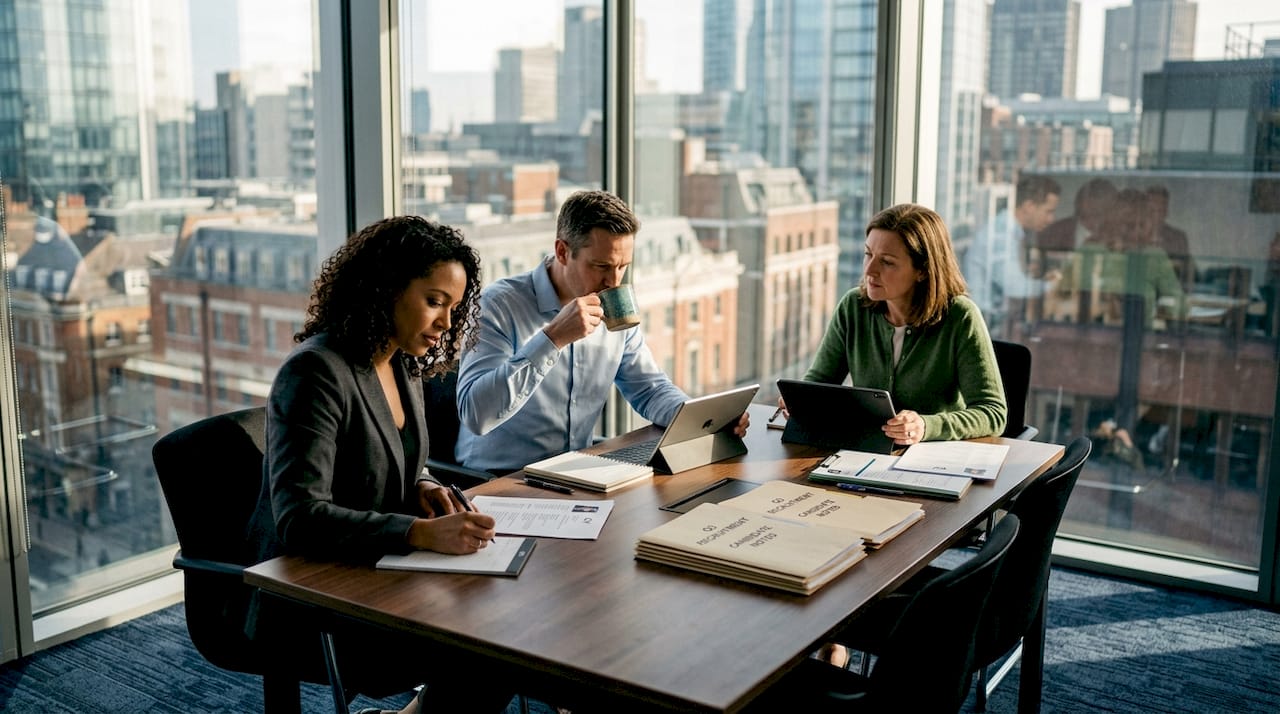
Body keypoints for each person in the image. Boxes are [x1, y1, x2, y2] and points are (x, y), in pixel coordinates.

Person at [246, 215, 513, 714]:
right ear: (385, 288)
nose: (446, 324)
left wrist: (424, 484)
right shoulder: (315, 372)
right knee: (492, 646)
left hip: (382, 571)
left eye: (454, 308)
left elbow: (397, 460)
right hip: (315, 593)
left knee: (506, 626)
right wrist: (418, 533)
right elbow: (299, 518)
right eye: (434, 302)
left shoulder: (400, 363)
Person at [454, 189, 748, 474]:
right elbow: (476, 416)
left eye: (623, 266)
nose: (613, 281)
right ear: (562, 251)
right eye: (601, 266)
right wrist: (552, 338)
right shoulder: (498, 305)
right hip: (499, 480)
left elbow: (649, 388)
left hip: (575, 474)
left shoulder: (614, 306)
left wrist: (703, 419)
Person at [789, 203, 1007, 446]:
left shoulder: (960, 316)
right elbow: (818, 383)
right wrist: (799, 401)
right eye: (868, 254)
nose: (870, 270)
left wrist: (926, 425)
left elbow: (993, 413)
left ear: (922, 270)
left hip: (932, 461)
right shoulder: (853, 307)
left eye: (888, 262)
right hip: (864, 452)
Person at [963, 174, 1062, 332]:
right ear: (1029, 206)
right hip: (981, 327)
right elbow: (1014, 286)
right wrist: (1054, 286)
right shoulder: (1001, 233)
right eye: (1048, 211)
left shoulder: (1012, 232)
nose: (1051, 219)